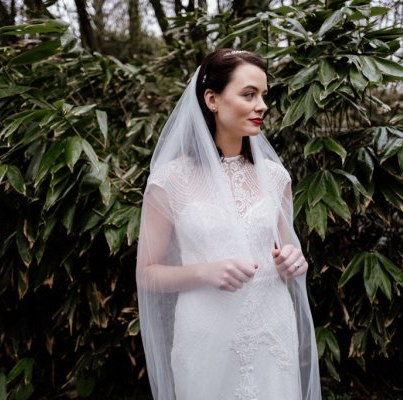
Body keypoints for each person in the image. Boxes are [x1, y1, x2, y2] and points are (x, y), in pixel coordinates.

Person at [136, 48, 321, 400]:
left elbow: (287, 252)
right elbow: (147, 273)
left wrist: (295, 261)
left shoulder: (275, 176)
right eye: (249, 94)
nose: (262, 105)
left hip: (272, 334)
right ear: (212, 99)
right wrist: (204, 273)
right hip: (207, 337)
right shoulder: (170, 181)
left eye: (264, 95)